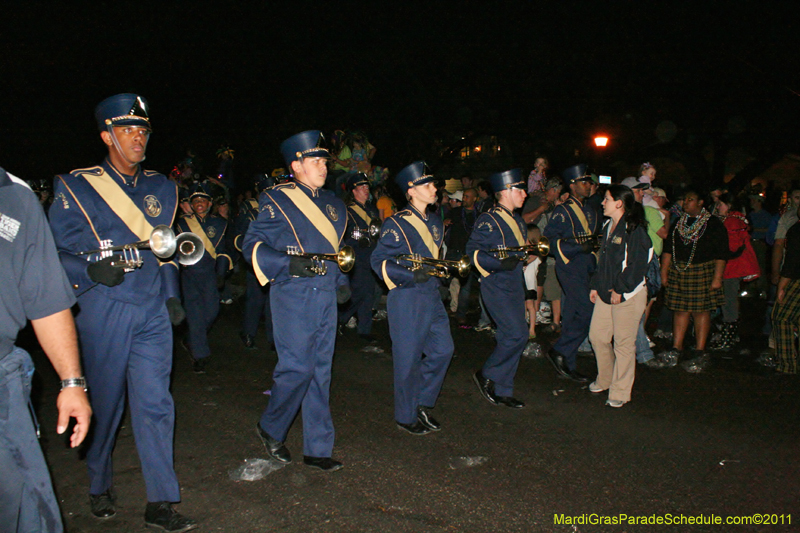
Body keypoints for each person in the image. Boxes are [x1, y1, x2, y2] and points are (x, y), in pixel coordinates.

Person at [48, 94, 196, 531]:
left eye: (143, 130)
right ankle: (99, 483)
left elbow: (166, 248)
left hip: (150, 307)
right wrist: (91, 269)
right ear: (106, 136)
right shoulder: (76, 185)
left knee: (156, 404)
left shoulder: (162, 187)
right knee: (107, 404)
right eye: (128, 130)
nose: (137, 138)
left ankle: (161, 500)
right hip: (103, 308)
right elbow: (57, 252)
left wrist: (171, 297)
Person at [243, 130, 350, 472]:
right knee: (297, 368)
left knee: (321, 371)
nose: (323, 167)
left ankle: (317, 447)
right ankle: (271, 426)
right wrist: (286, 263)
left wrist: (342, 281)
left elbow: (337, 253)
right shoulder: (277, 199)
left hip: (325, 295)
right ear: (296, 165)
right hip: (293, 292)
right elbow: (253, 245)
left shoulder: (334, 204)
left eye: (324, 161)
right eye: (316, 161)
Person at [0, 167, 92, 533]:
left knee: (26, 511)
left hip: (1, 382)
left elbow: (47, 301)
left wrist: (72, 382)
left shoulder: (14, 194)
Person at [371, 161, 455, 435]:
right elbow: (379, 261)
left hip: (430, 294)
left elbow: (433, 256)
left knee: (444, 350)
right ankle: (405, 416)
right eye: (428, 185)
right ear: (412, 189)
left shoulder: (435, 221)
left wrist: (440, 272)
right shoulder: (396, 223)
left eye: (434, 184)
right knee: (407, 360)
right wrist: (411, 275)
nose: (435, 189)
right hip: (407, 297)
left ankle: (421, 402)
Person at [467, 168, 532, 408]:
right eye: (520, 189)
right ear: (505, 191)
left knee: (510, 335)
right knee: (518, 334)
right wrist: (500, 262)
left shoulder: (517, 221)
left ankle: (503, 388)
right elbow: (472, 253)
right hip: (496, 284)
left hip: (514, 283)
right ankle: (487, 374)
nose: (525, 194)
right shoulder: (489, 220)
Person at [588, 185, 652, 408]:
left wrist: (621, 290)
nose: (602, 203)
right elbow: (603, 261)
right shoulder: (608, 226)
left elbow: (637, 266)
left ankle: (621, 391)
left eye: (606, 199)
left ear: (619, 203)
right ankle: (605, 379)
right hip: (608, 291)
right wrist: (596, 285)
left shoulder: (634, 230)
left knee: (623, 344)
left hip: (629, 294)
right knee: (597, 336)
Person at [655, 189, 729, 369]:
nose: (685, 202)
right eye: (684, 199)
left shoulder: (713, 224)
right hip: (679, 270)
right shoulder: (679, 222)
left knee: (701, 311)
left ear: (701, 202)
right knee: (680, 310)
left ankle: (699, 350)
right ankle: (676, 347)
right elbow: (667, 250)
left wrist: (717, 278)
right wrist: (664, 272)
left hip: (702, 270)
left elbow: (721, 253)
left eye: (690, 199)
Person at [543, 164, 599, 383]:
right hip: (570, 266)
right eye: (584, 182)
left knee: (576, 314)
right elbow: (547, 241)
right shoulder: (563, 211)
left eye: (589, 182)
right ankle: (560, 350)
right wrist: (577, 248)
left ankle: (567, 360)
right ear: (573, 186)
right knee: (587, 312)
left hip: (586, 266)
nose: (589, 186)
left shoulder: (590, 210)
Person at [175, 181, 233, 372]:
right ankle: (200, 355)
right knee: (194, 314)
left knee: (212, 311)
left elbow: (223, 251)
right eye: (195, 200)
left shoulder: (220, 223)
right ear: (191, 204)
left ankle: (192, 338)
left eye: (203, 200)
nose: (199, 203)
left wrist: (221, 273)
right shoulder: (182, 223)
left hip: (209, 274)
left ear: (209, 204)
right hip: (189, 274)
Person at [710, 192, 760, 350]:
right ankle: (729, 335)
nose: (718, 207)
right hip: (734, 266)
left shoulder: (731, 221)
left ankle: (727, 339)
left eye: (720, 204)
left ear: (729, 205)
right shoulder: (737, 219)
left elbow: (731, 246)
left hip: (732, 267)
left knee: (728, 302)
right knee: (729, 301)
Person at [236, 174, 275, 351]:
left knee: (273, 303)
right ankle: (248, 333)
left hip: (274, 262)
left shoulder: (279, 213)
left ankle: (273, 338)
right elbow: (240, 238)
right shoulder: (252, 214)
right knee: (255, 300)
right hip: (256, 262)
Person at [340, 173, 381, 341]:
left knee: (369, 293)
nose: (366, 190)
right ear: (353, 190)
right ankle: (339, 319)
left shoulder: (371, 209)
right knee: (359, 292)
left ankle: (364, 330)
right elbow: (342, 238)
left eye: (367, 187)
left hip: (372, 255)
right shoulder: (347, 211)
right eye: (362, 187)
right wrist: (355, 240)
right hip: (357, 257)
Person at [444, 188, 479, 326]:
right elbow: (445, 224)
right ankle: (444, 308)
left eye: (467, 197)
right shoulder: (456, 212)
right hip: (453, 252)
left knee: (465, 285)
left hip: (467, 255)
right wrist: (445, 222)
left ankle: (461, 313)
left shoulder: (479, 216)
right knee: (444, 279)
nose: (464, 199)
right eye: (464, 196)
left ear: (474, 199)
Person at [772, 203, 800, 374]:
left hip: (797, 279)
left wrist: (782, 285)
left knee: (781, 317)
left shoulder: (796, 231)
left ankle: (788, 364)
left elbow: (792, 260)